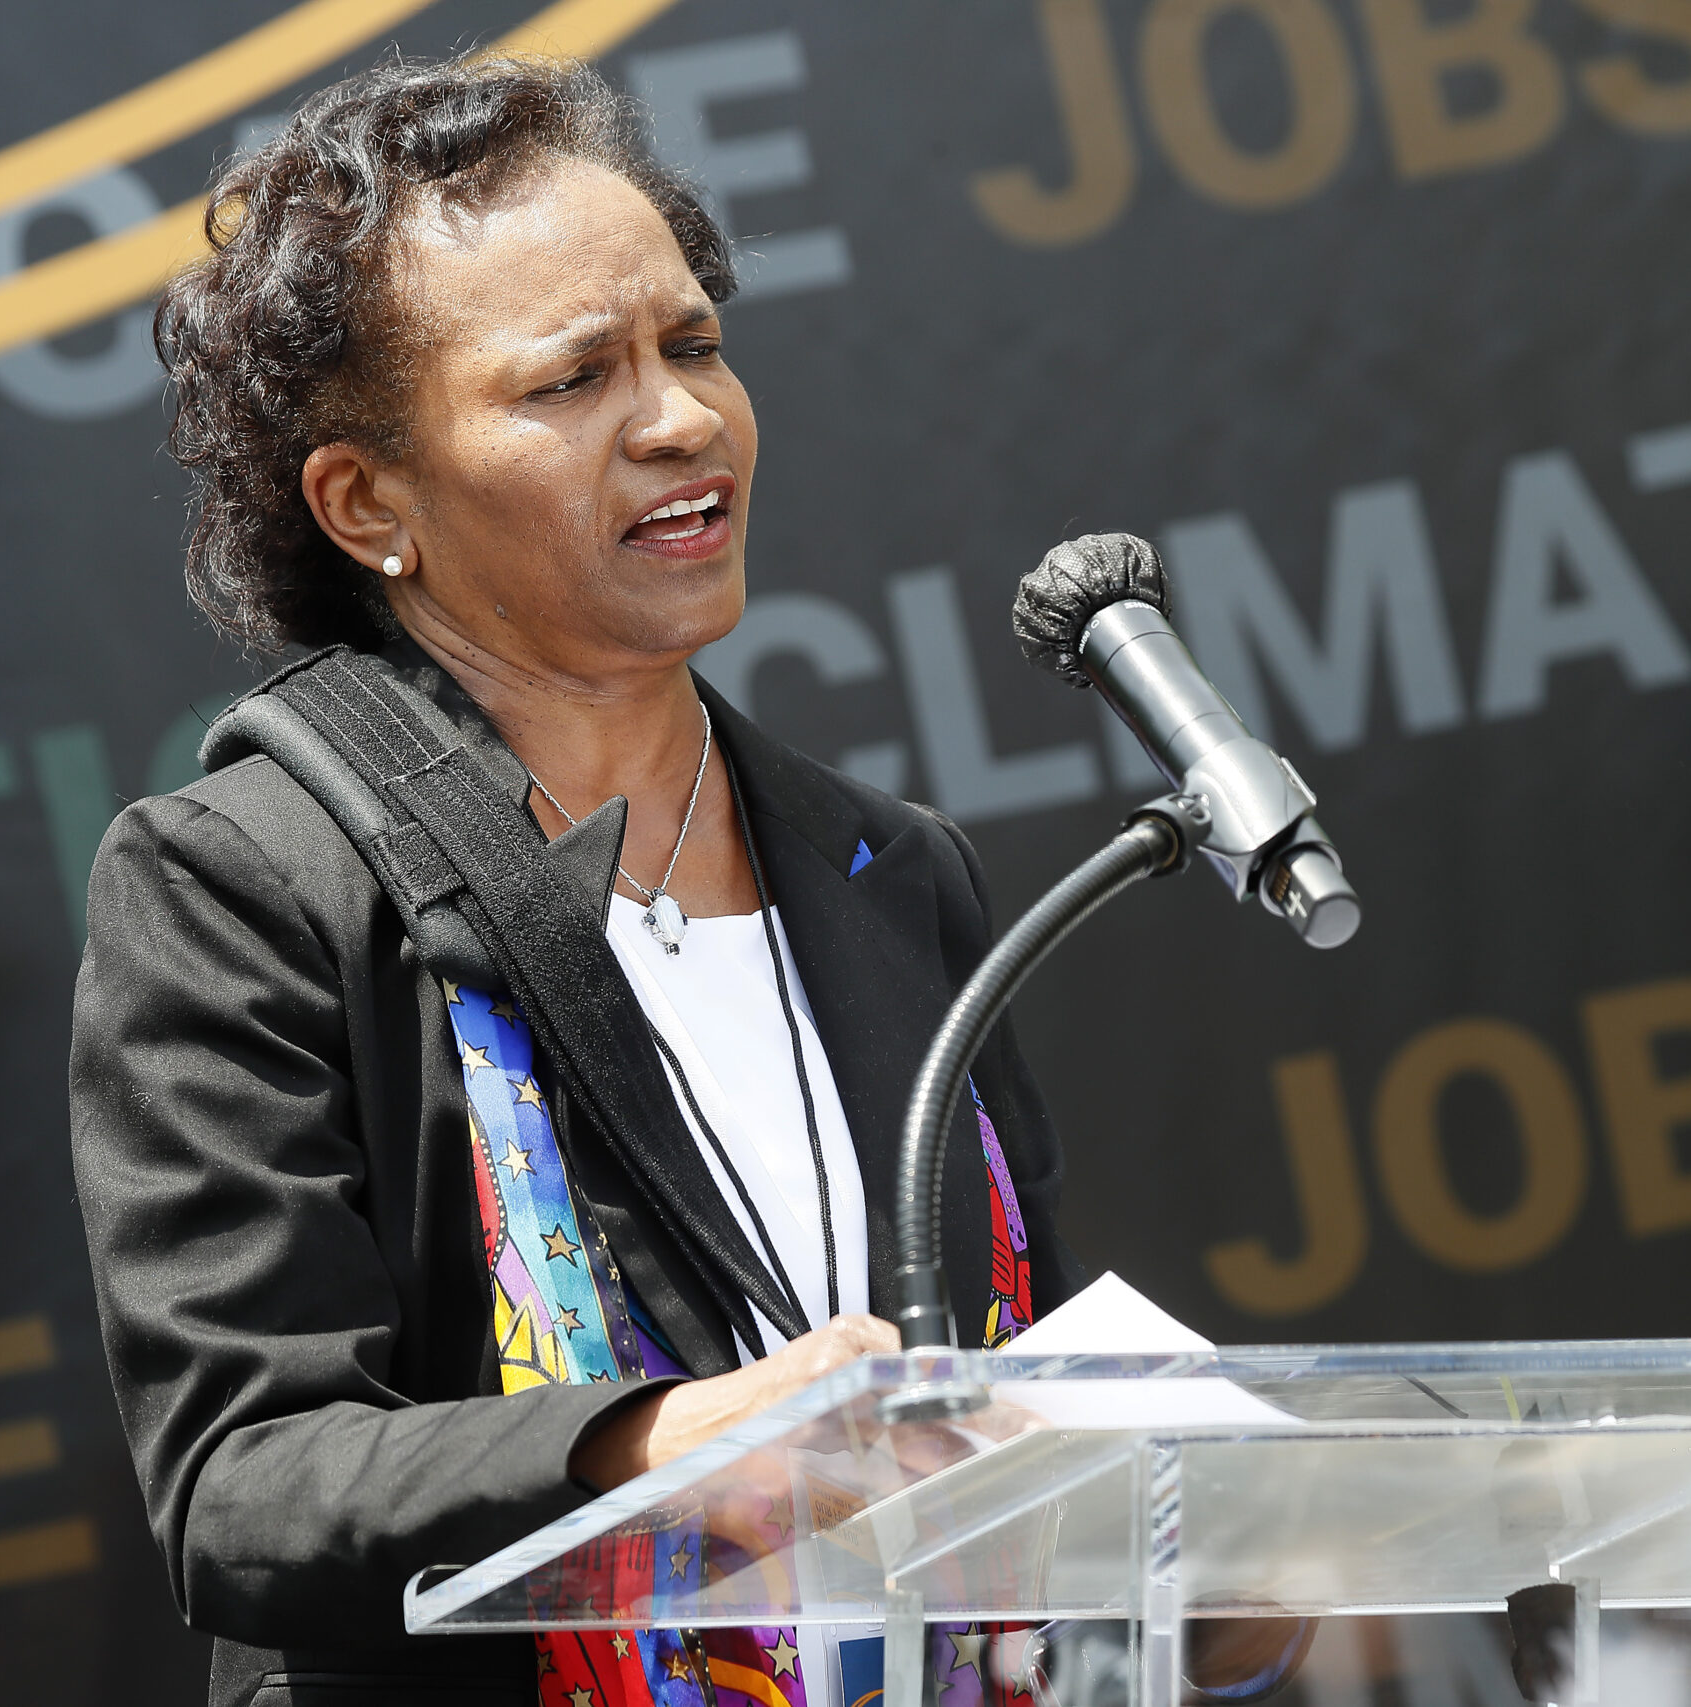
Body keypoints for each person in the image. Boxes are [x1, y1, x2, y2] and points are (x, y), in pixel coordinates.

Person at [70, 54, 1082, 1707]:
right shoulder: (241, 887)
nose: (682, 416)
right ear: (366, 500)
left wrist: (1205, 1581)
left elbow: (1017, 1432)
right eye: (572, 380)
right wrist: (669, 1446)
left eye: (693, 344)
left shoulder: (901, 876)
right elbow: (242, 1487)